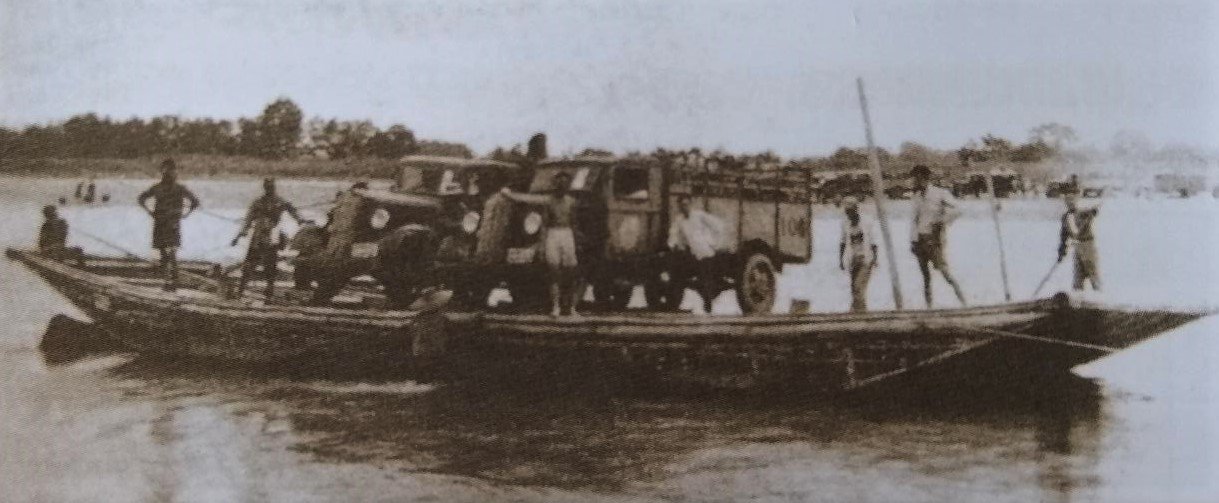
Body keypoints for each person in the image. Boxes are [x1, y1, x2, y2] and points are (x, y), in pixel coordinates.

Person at [501, 172, 581, 317]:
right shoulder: (549, 201)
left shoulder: (571, 202)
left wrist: (575, 241)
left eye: (564, 183)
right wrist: (543, 245)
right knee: (554, 270)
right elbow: (543, 221)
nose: (561, 186)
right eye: (558, 183)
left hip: (567, 233)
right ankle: (556, 306)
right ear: (555, 185)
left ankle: (570, 307)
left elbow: (574, 223)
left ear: (568, 186)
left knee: (570, 271)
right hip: (553, 233)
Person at [231, 178, 308, 299]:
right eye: (268, 187)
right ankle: (241, 291)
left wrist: (300, 220)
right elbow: (248, 220)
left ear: (273, 187)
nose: (269, 189)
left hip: (271, 237)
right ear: (265, 188)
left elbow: (294, 212)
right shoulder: (260, 203)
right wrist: (239, 235)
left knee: (269, 266)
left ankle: (268, 292)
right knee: (250, 265)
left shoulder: (279, 202)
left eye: (270, 187)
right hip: (259, 238)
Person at [137, 159, 200, 292]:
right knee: (164, 252)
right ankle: (168, 278)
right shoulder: (157, 188)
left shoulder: (179, 188)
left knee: (171, 251)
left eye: (171, 171)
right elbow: (141, 199)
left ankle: (173, 278)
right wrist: (150, 212)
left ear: (174, 173)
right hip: (161, 222)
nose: (169, 174)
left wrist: (185, 214)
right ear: (163, 173)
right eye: (166, 171)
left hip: (171, 223)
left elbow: (195, 202)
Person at [909, 164, 967, 307]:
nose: (914, 181)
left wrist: (942, 221)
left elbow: (958, 209)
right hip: (920, 240)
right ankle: (929, 307)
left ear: (924, 178)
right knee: (925, 277)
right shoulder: (916, 196)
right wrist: (912, 241)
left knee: (945, 273)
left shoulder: (940, 193)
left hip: (934, 239)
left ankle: (964, 303)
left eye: (916, 178)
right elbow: (914, 220)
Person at [667, 194, 726, 314]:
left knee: (705, 279)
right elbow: (673, 234)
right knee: (691, 278)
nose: (684, 207)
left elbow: (718, 226)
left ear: (690, 204)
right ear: (679, 207)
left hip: (706, 253)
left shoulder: (699, 216)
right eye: (682, 205)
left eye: (686, 204)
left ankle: (708, 304)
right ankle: (705, 299)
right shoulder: (679, 220)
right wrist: (672, 245)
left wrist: (714, 243)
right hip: (693, 254)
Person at [838, 198, 879, 312]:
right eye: (847, 212)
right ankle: (859, 313)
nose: (849, 214)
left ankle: (857, 314)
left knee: (858, 288)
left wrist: (875, 259)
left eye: (850, 211)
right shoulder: (845, 223)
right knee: (854, 290)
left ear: (856, 210)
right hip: (852, 259)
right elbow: (842, 242)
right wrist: (841, 260)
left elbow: (873, 242)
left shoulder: (866, 221)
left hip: (866, 259)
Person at [1058, 192, 1101, 291]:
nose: (1070, 203)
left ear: (1076, 201)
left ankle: (1100, 296)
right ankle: (1078, 297)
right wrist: (1061, 251)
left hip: (1088, 246)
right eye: (1068, 201)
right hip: (1077, 247)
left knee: (1093, 274)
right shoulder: (1065, 218)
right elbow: (1063, 236)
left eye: (1072, 200)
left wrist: (1094, 211)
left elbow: (1093, 212)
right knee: (1078, 277)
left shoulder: (1083, 213)